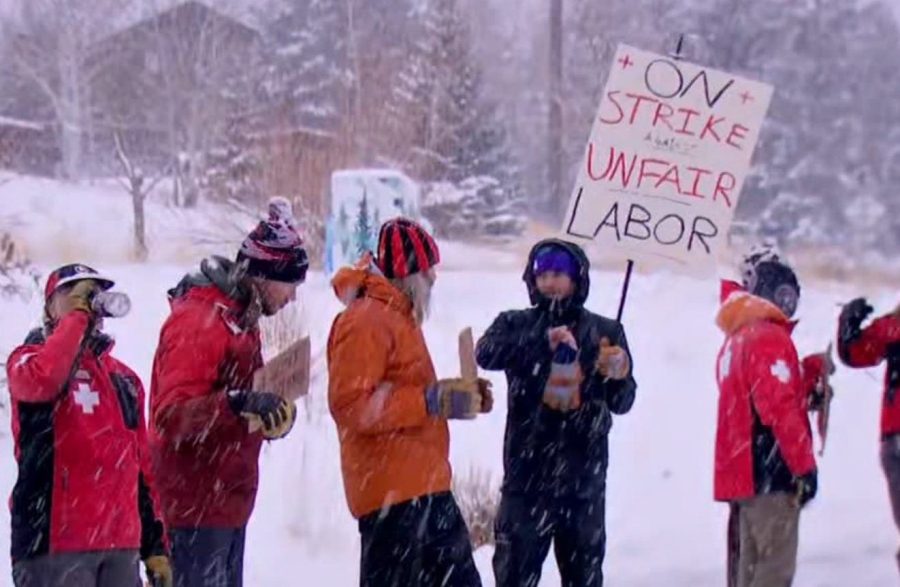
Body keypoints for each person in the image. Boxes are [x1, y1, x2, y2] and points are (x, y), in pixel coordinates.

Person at [149, 197, 307, 587]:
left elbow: (236, 405)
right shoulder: (200, 322)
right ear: (266, 275)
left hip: (226, 504)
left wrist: (270, 414)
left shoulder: (241, 320)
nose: (294, 298)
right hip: (193, 508)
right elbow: (171, 416)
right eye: (291, 284)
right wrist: (237, 404)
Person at [327, 218, 490, 587]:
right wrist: (429, 400)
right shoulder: (365, 320)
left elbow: (409, 393)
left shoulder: (397, 315)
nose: (433, 277)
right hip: (392, 497)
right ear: (407, 273)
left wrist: (455, 398)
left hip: (424, 485)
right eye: (427, 268)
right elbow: (351, 405)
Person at [475, 239, 636, 587]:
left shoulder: (606, 332)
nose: (549, 282)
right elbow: (485, 353)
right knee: (514, 578)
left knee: (584, 579)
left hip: (584, 487)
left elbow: (623, 402)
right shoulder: (515, 323)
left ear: (577, 279)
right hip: (526, 482)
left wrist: (619, 372)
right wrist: (539, 342)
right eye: (542, 274)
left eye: (558, 274)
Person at [6, 264, 170, 587]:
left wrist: (154, 546)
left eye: (91, 293)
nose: (85, 301)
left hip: (120, 547)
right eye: (72, 293)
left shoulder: (123, 380)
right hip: (53, 546)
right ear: (49, 306)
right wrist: (75, 320)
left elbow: (141, 472)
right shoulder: (27, 361)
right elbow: (45, 379)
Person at [714, 256, 819, 587]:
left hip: (744, 472)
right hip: (772, 472)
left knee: (747, 569)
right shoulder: (769, 338)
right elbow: (778, 408)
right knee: (773, 570)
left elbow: (755, 400)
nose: (789, 304)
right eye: (785, 295)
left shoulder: (738, 337)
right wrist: (804, 466)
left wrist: (803, 376)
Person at [837, 297, 900, 569]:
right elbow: (856, 351)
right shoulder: (893, 327)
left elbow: (857, 351)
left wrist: (849, 328)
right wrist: (849, 325)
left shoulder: (894, 327)